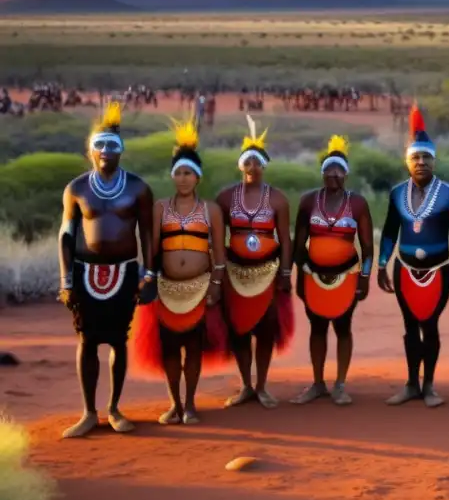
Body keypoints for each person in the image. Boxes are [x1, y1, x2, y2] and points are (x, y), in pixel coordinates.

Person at [58, 101, 155, 438]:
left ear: (122, 151)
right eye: (99, 144)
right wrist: (66, 279)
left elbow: (147, 233)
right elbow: (66, 235)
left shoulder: (138, 188)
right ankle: (88, 412)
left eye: (113, 145)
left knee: (118, 341)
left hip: (124, 272)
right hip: (85, 274)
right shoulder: (77, 189)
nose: (106, 150)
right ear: (89, 149)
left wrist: (149, 275)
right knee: (87, 340)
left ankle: (114, 408)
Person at [130, 118, 229, 424]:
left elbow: (220, 252)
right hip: (167, 288)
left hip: (199, 288)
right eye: (178, 173)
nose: (183, 179)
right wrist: (149, 278)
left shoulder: (210, 209)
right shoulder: (160, 208)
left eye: (188, 173)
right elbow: (153, 249)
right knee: (170, 349)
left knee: (194, 349)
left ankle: (190, 405)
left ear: (197, 177)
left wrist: (216, 283)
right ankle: (174, 403)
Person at [378, 104, 449, 407]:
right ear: (407, 161)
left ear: (434, 160)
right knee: (408, 327)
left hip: (438, 271)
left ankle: (429, 386)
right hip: (403, 270)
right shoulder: (396, 194)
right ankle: (411, 383)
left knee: (429, 325)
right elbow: (390, 230)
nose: (421, 162)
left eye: (426, 157)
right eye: (415, 157)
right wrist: (381, 264)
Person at [215, 115, 295, 409]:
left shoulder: (278, 199)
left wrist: (286, 273)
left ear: (264, 166)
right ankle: (245, 385)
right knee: (239, 328)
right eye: (248, 162)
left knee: (265, 329)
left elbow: (286, 239)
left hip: (269, 272)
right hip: (235, 273)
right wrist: (220, 272)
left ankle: (262, 386)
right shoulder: (225, 198)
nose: (252, 168)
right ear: (240, 165)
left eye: (257, 163)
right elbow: (216, 236)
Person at [290, 135, 374, 406]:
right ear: (322, 173)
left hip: (346, 277)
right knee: (317, 328)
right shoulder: (308, 201)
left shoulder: (358, 203)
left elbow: (367, 246)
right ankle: (317, 383)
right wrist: (301, 277)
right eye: (329, 170)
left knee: (343, 328)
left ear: (346, 174)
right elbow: (298, 243)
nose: (333, 175)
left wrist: (364, 277)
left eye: (339, 170)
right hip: (313, 276)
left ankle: (340, 384)